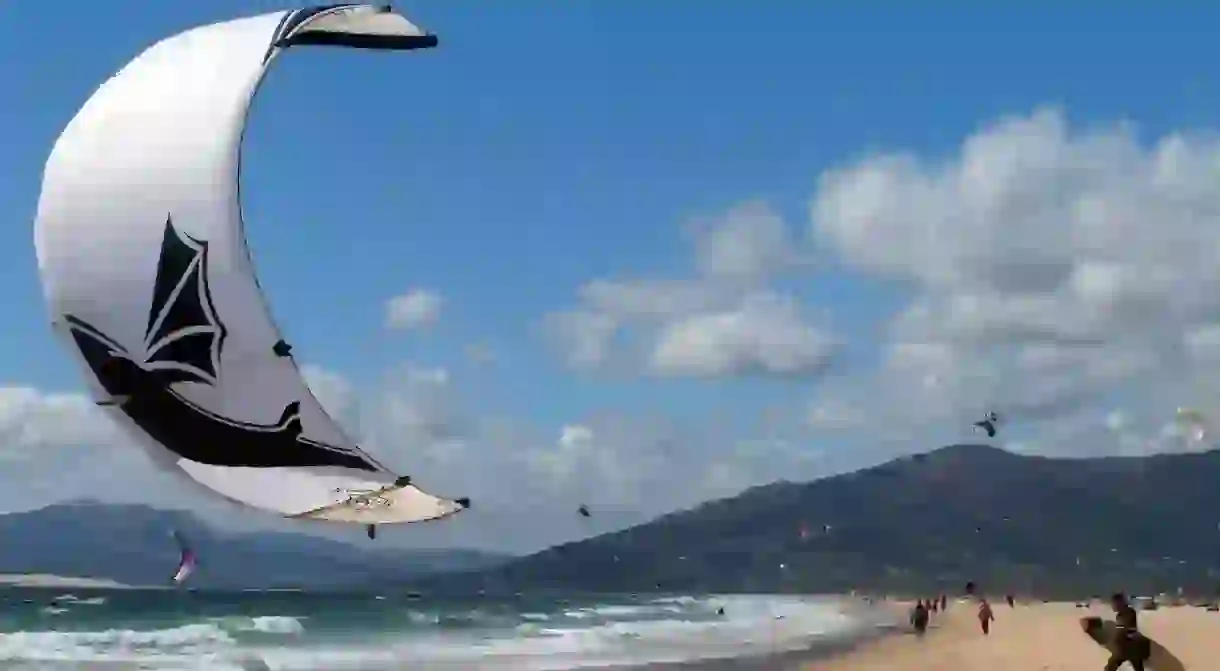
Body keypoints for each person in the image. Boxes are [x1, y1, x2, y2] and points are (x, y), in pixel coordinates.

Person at [1106, 592, 1149, 671]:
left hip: (1131, 649)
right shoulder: (1119, 615)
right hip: (1123, 649)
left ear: (1120, 603)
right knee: (1110, 668)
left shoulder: (1129, 612)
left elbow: (1128, 629)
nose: (1113, 606)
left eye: (1114, 604)